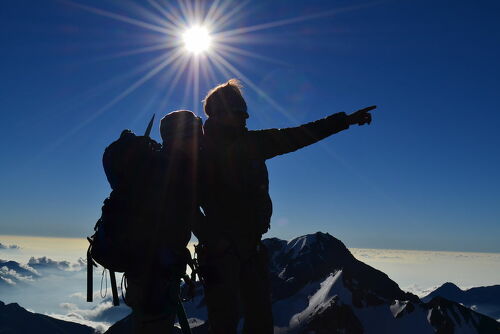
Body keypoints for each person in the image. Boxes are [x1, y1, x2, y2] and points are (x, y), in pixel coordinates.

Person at [194, 79, 375, 334]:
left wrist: (345, 120)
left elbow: (298, 135)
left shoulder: (249, 144)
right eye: (239, 113)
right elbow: (187, 204)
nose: (245, 119)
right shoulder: (201, 153)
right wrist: (214, 238)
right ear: (220, 114)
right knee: (226, 322)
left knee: (257, 320)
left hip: (250, 249)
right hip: (222, 254)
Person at [123, 110, 203, 334]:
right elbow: (187, 216)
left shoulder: (156, 164)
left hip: (144, 271)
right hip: (157, 274)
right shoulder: (176, 169)